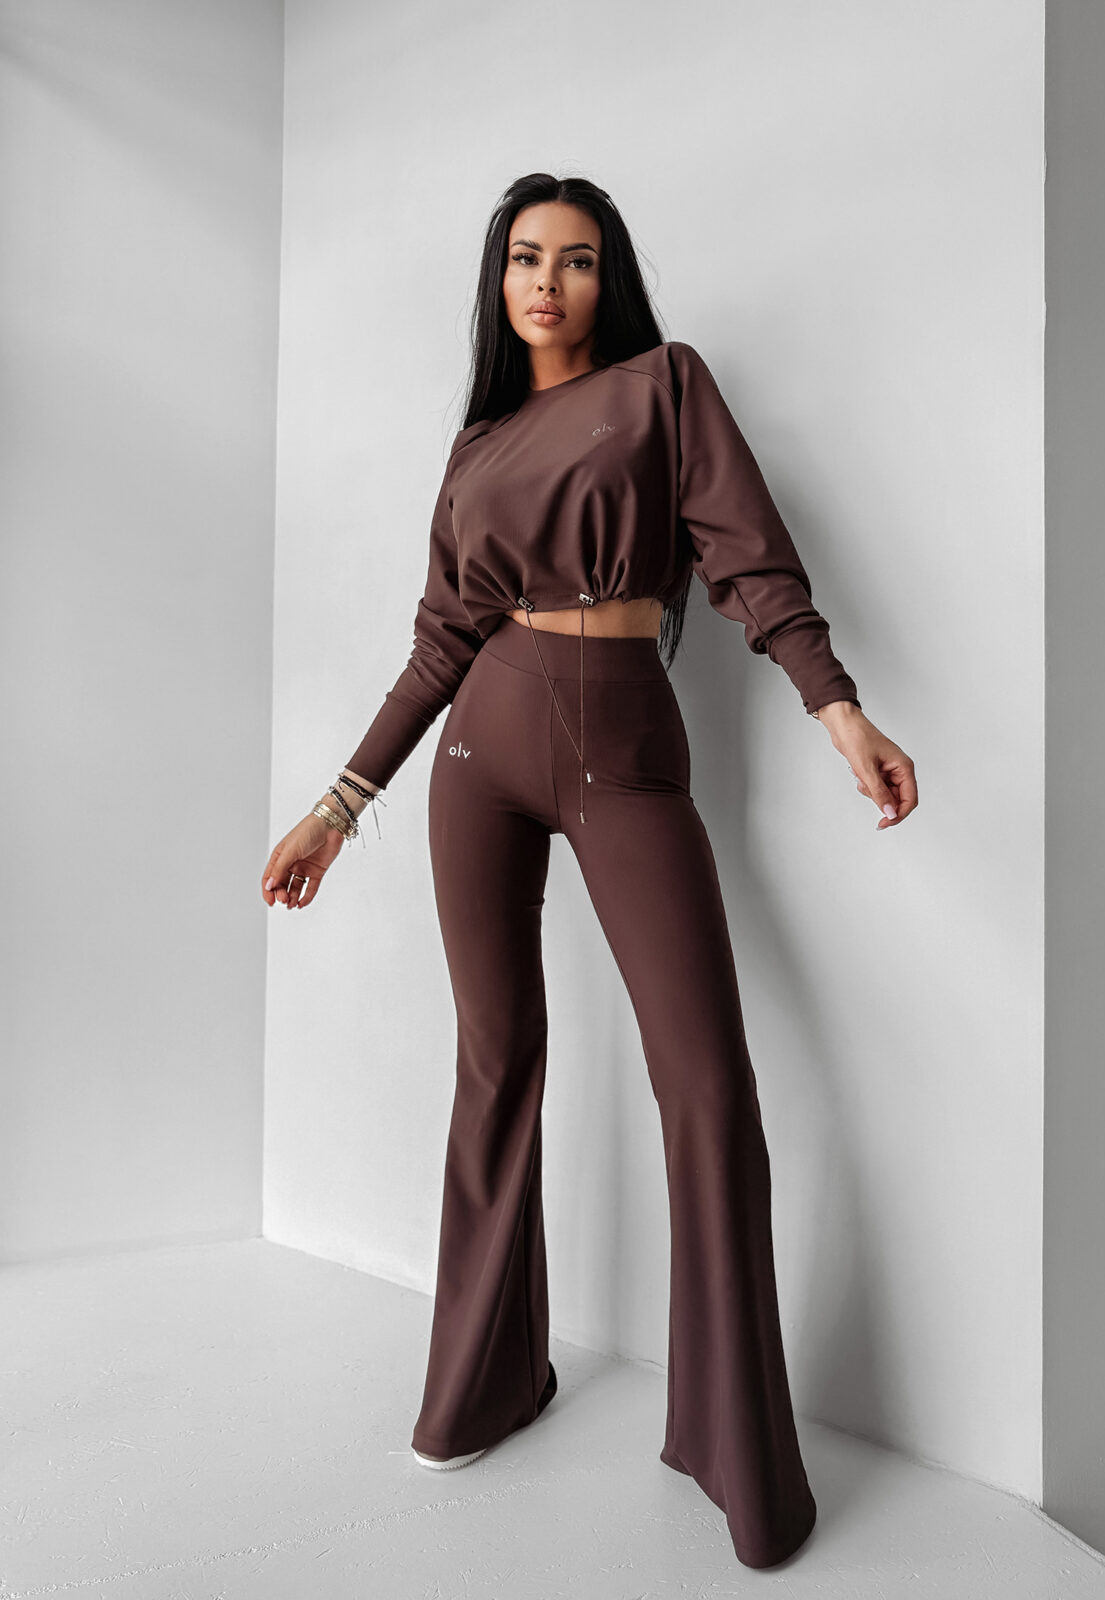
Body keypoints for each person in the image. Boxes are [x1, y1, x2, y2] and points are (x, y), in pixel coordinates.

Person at [260, 172, 917, 1570]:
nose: (546, 282)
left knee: (707, 1082)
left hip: (623, 749)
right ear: (497, 283)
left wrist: (838, 708)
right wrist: (336, 805)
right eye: (523, 259)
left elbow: (750, 562)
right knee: (496, 1065)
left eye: (573, 259)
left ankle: (731, 1443)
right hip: (474, 757)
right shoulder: (477, 445)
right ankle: (485, 1382)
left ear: (608, 277)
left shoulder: (665, 387)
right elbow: (441, 640)